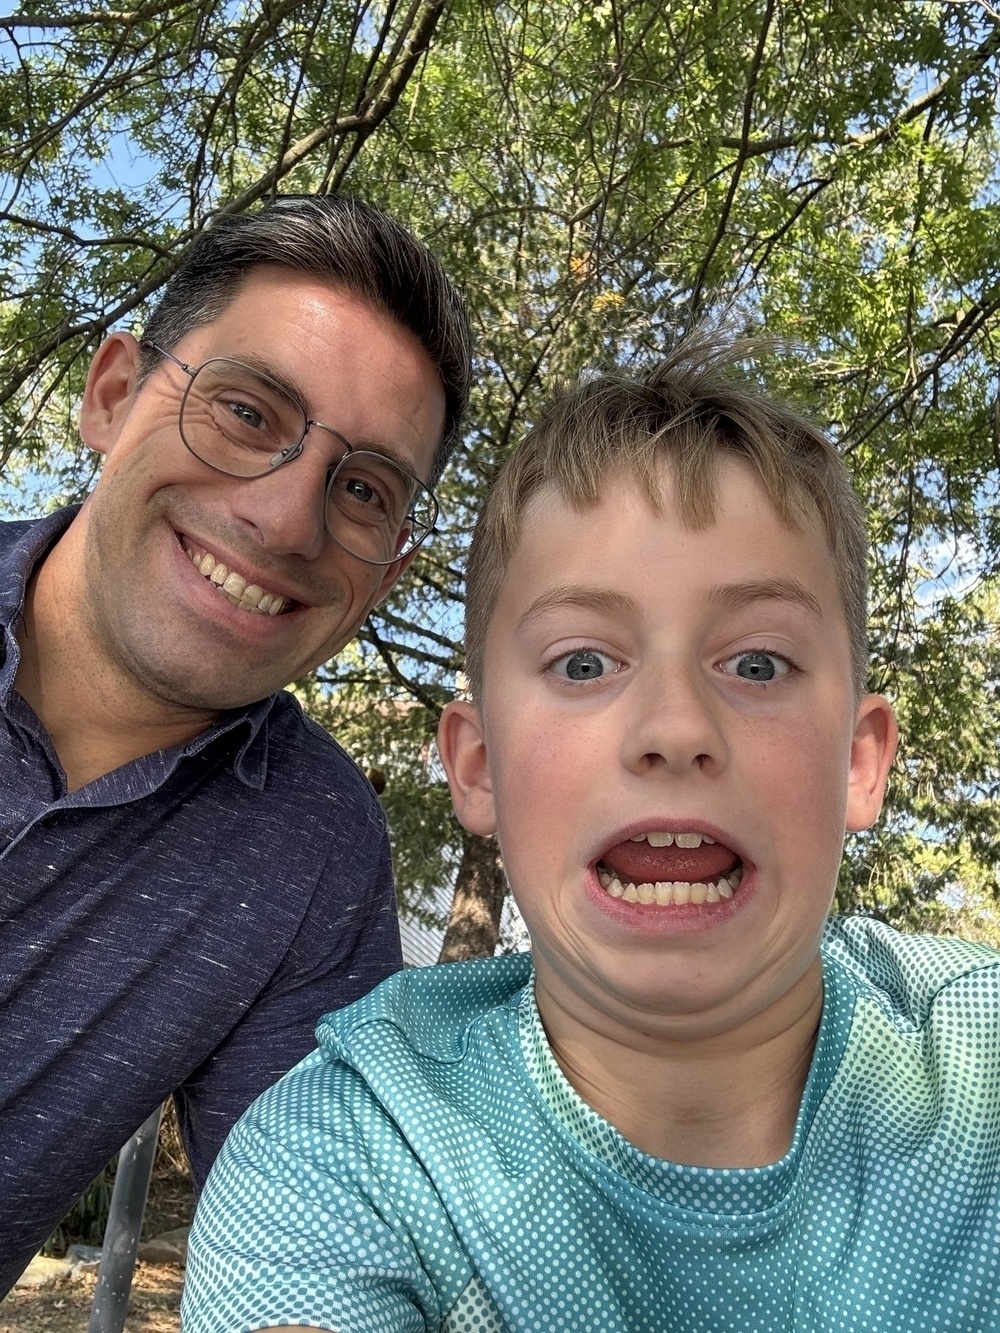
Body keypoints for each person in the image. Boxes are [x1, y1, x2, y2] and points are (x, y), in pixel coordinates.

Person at [181, 344, 1000, 1332]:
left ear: (859, 763)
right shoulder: (352, 1144)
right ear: (477, 766)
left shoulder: (978, 1066)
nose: (673, 729)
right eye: (580, 662)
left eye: (756, 660)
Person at [0, 194, 471, 1293]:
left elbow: (308, 1245)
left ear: (387, 573)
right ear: (113, 394)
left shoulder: (311, 847)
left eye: (361, 489)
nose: (285, 519)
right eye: (250, 412)